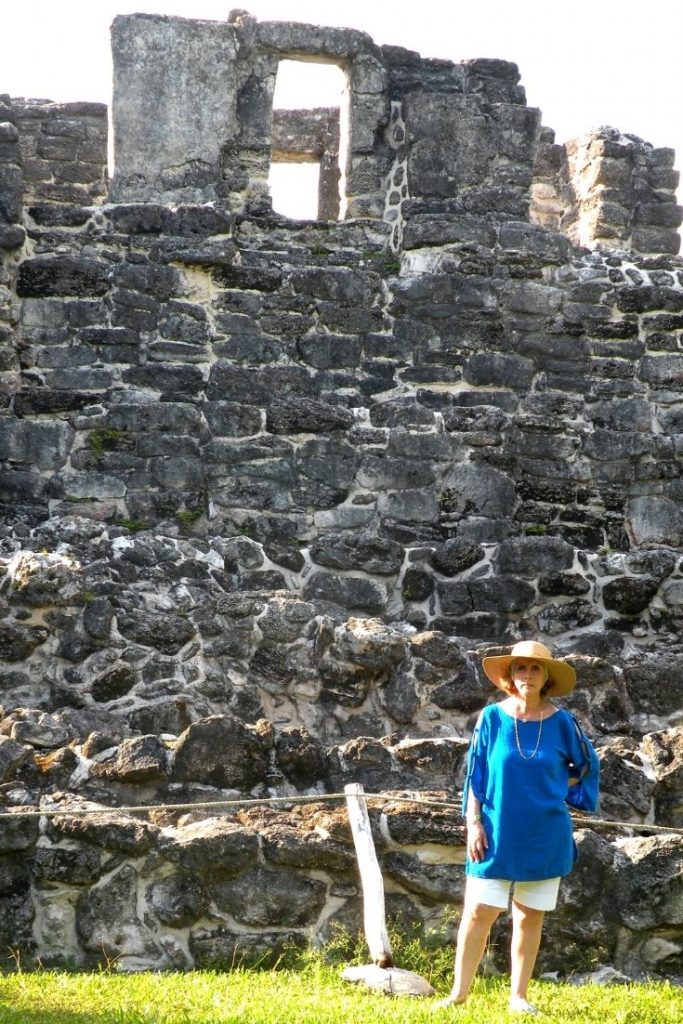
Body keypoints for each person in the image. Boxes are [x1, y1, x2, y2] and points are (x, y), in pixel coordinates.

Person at [434, 640, 600, 1016]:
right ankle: (459, 994)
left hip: (544, 834)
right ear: (509, 676)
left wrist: (559, 788)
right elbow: (476, 777)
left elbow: (588, 766)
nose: (527, 675)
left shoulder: (562, 724)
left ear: (546, 678)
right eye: (520, 668)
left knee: (529, 915)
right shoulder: (491, 718)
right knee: (478, 912)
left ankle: (519, 998)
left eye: (535, 669)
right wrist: (473, 823)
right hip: (494, 832)